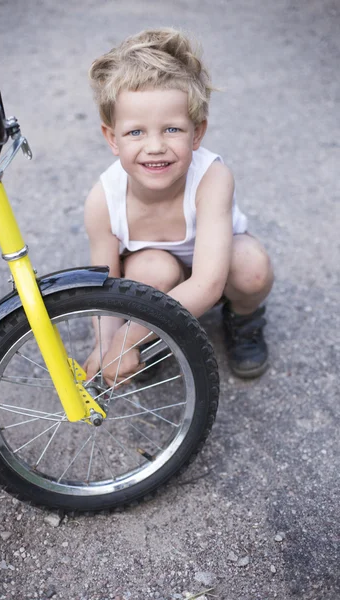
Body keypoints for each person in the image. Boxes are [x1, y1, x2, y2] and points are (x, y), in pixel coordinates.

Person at [83, 28, 274, 386]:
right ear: (112, 138)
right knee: (150, 269)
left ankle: (243, 319)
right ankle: (153, 333)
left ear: (197, 133)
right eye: (136, 132)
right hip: (156, 277)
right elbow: (103, 286)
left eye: (171, 129)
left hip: (213, 270)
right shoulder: (103, 199)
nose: (155, 147)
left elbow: (207, 283)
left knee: (252, 267)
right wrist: (104, 344)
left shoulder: (212, 178)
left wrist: (126, 340)